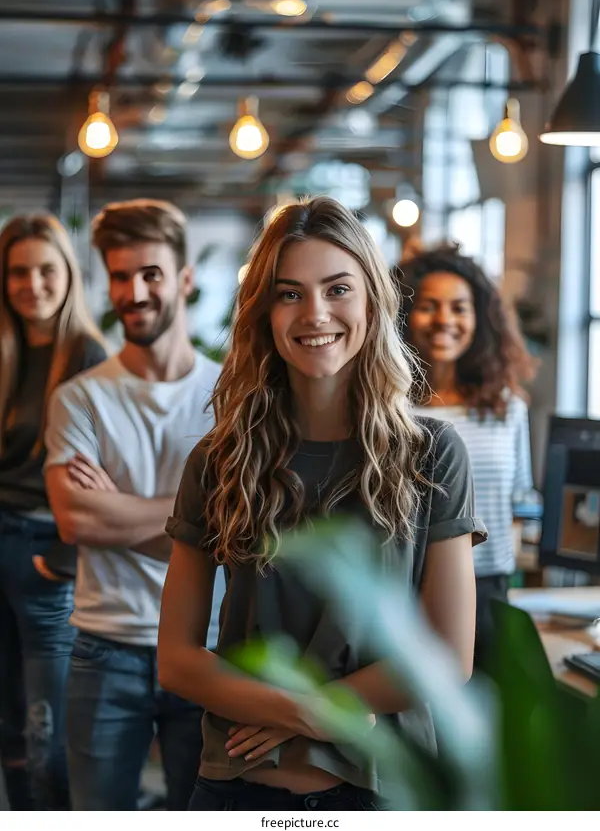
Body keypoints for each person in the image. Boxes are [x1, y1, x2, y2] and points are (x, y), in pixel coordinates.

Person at [158, 196, 487, 812]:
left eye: (337, 289)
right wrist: (310, 713)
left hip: (384, 792)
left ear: (371, 301)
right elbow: (176, 660)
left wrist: (307, 709)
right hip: (235, 791)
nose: (315, 313)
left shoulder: (432, 454)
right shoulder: (220, 459)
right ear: (264, 314)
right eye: (290, 294)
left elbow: (448, 657)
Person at [44, 199, 224, 811]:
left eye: (151, 274)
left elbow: (237, 527)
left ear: (185, 279)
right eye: (121, 276)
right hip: (106, 644)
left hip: (207, 643)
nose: (135, 292)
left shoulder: (229, 396)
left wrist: (117, 509)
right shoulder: (79, 399)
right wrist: (194, 523)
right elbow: (76, 519)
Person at [0, 214, 106, 810]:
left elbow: (100, 475)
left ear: (68, 274)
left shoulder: (88, 355)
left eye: (46, 269)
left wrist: (63, 558)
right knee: (7, 725)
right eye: (18, 272)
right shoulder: (4, 349)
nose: (32, 284)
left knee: (47, 729)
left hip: (46, 550)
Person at [396, 242, 537, 669]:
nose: (445, 320)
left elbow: (521, 498)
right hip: (410, 590)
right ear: (405, 315)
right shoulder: (388, 407)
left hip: (490, 590)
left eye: (459, 308)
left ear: (479, 320)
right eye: (429, 306)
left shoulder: (506, 407)